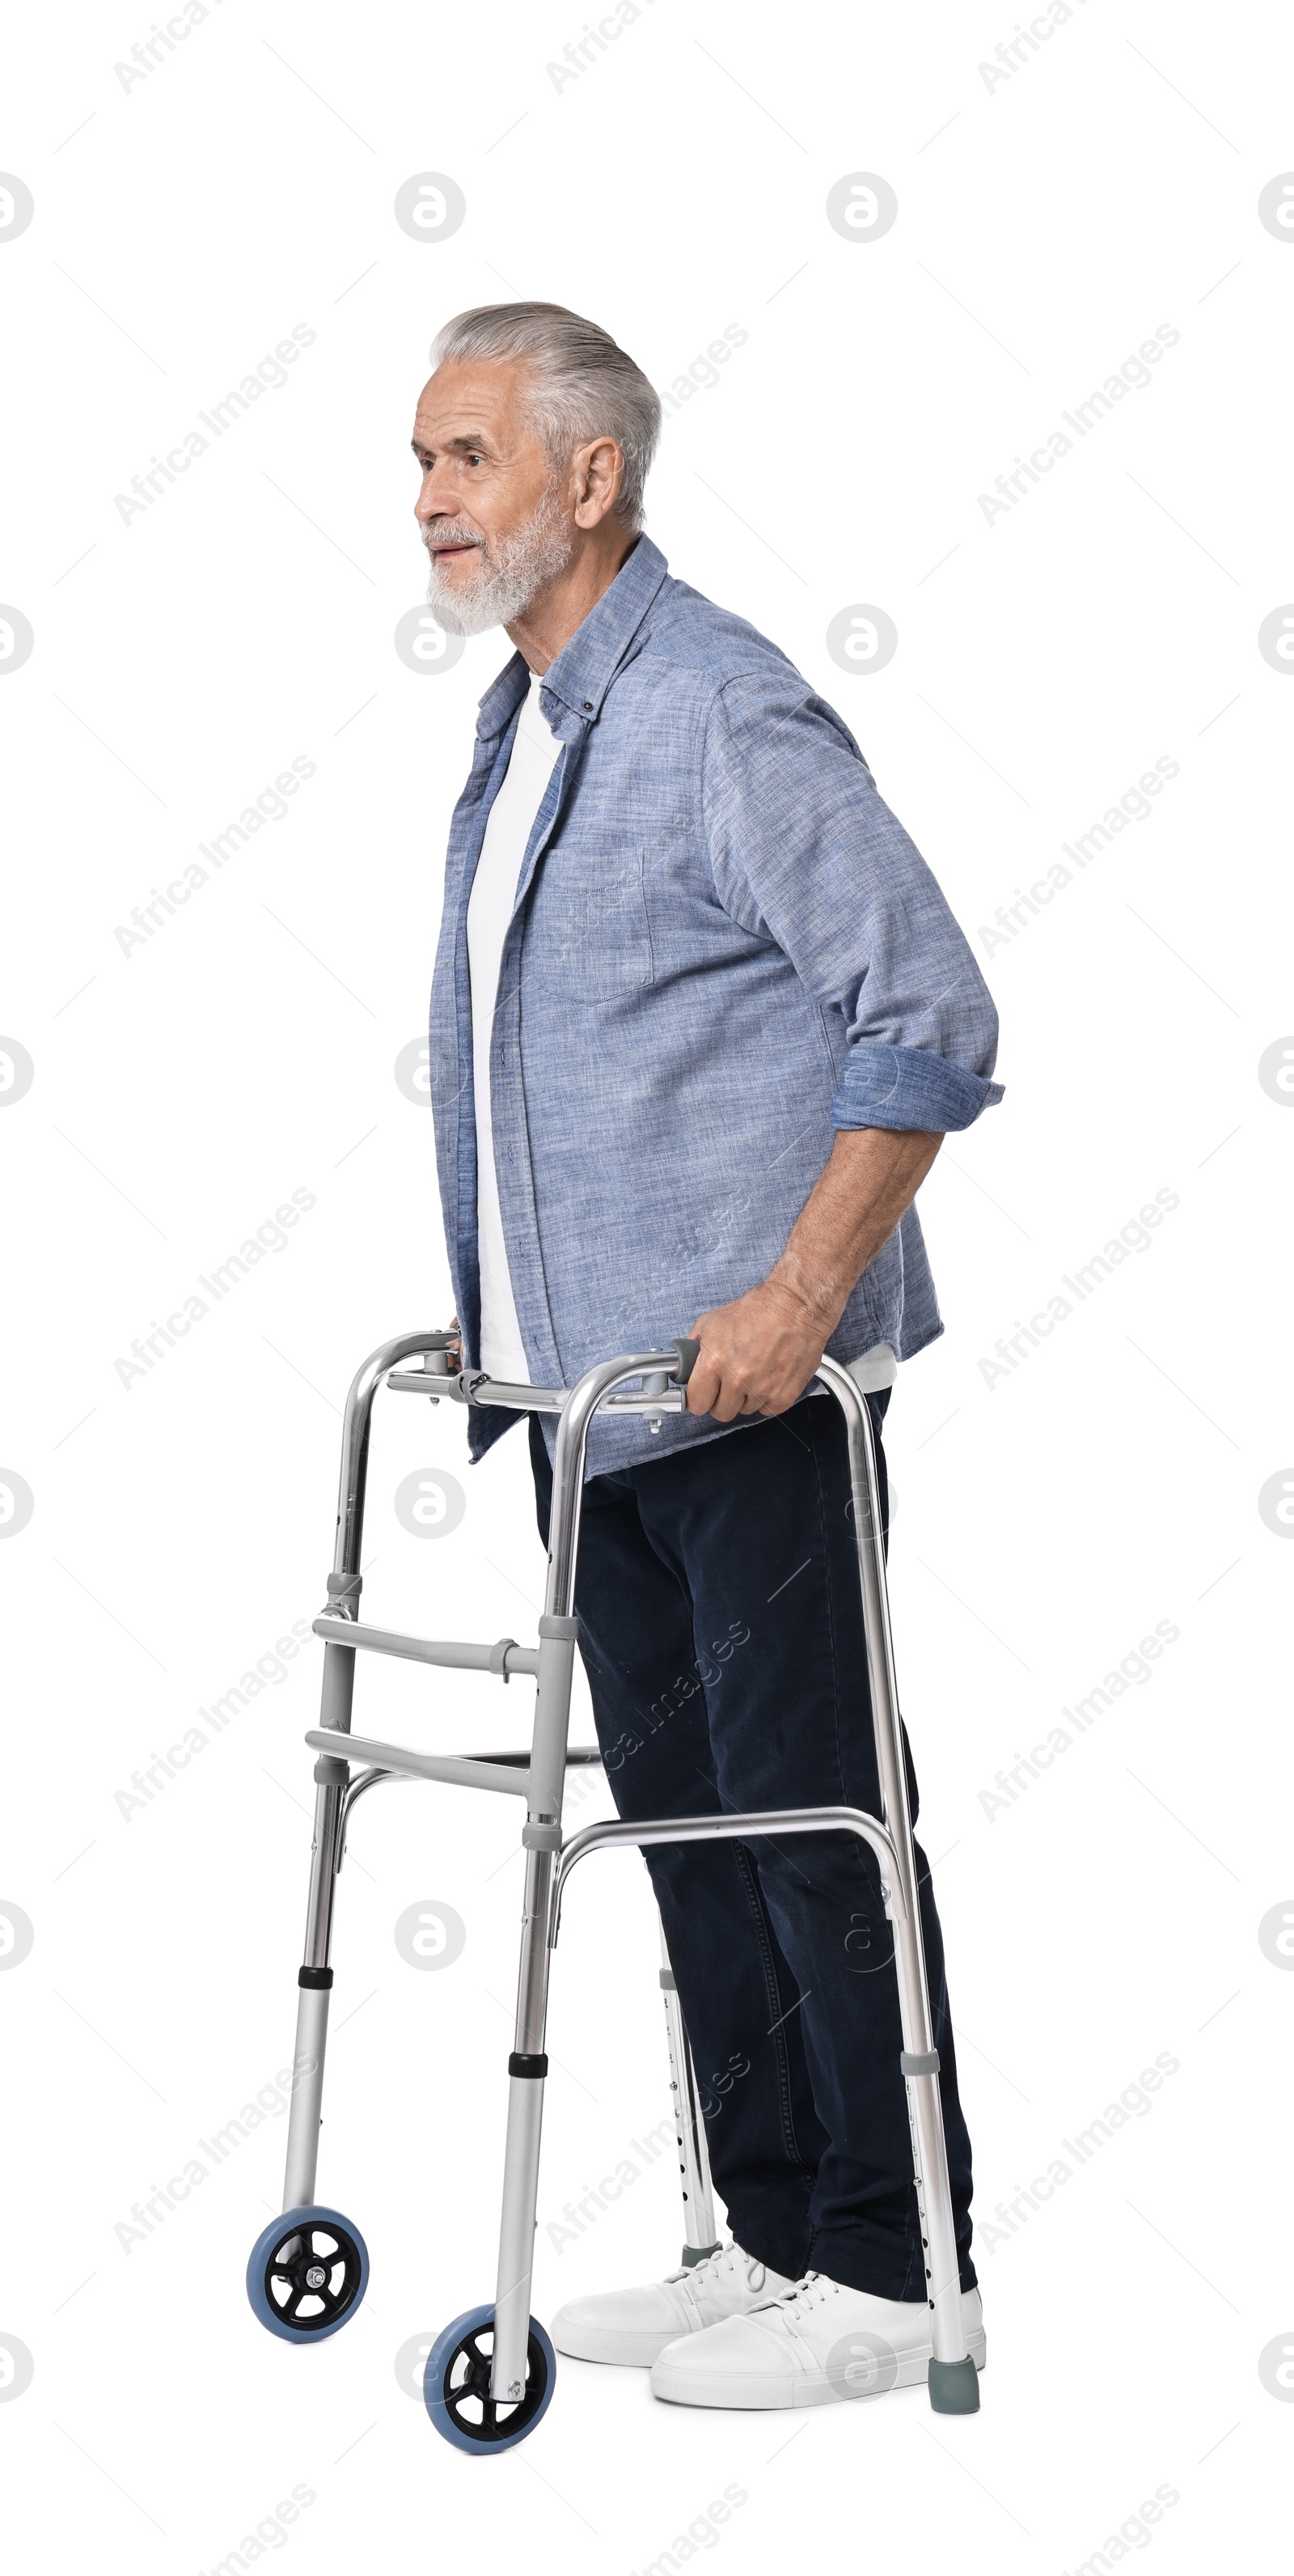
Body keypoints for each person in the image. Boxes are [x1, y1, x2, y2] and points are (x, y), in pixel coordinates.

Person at [417, 302, 1002, 2411]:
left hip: (758, 1385)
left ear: (590, 476)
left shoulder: (725, 712)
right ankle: (766, 2234)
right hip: (596, 1401)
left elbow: (928, 1018)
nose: (426, 506)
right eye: (421, 466)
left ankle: (895, 2262)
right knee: (680, 1819)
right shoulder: (535, 730)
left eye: (464, 458)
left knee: (805, 1800)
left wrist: (794, 1302)